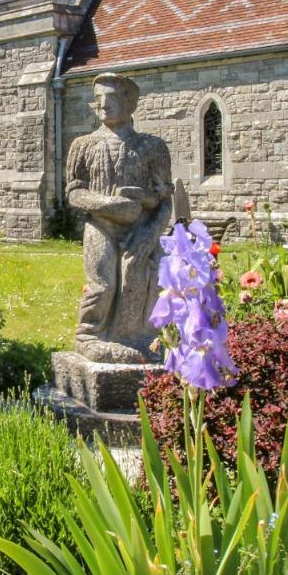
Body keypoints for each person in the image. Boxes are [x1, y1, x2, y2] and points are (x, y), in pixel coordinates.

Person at [65, 74, 172, 363]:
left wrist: (151, 234)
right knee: (103, 284)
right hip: (101, 225)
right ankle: (89, 335)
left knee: (137, 279)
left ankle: (135, 339)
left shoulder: (152, 147)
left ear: (130, 103)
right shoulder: (83, 145)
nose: (102, 105)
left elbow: (164, 199)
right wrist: (108, 204)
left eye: (110, 98)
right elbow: (74, 192)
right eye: (97, 99)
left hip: (141, 226)